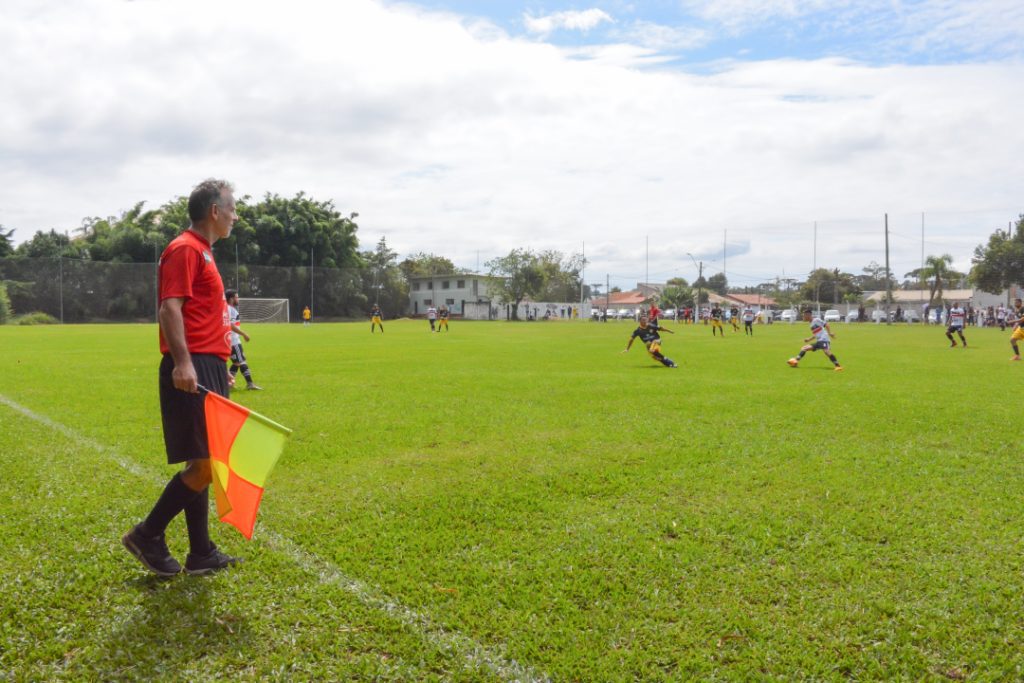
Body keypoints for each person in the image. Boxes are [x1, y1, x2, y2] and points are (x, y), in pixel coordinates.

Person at [122, 178, 240, 577]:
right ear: (214, 211)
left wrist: (218, 367)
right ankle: (147, 534)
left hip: (207, 364)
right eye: (232, 209)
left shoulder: (203, 251)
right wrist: (184, 363)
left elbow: (201, 316)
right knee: (205, 465)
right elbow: (169, 308)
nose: (235, 216)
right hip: (192, 363)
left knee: (201, 459)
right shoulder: (185, 249)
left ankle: (200, 553)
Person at [225, 289, 262, 390]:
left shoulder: (227, 308)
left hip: (231, 340)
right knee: (241, 362)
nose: (238, 299)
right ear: (231, 299)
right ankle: (250, 384)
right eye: (236, 297)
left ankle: (229, 385)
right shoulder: (230, 310)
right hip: (233, 341)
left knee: (237, 362)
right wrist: (244, 334)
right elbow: (230, 325)